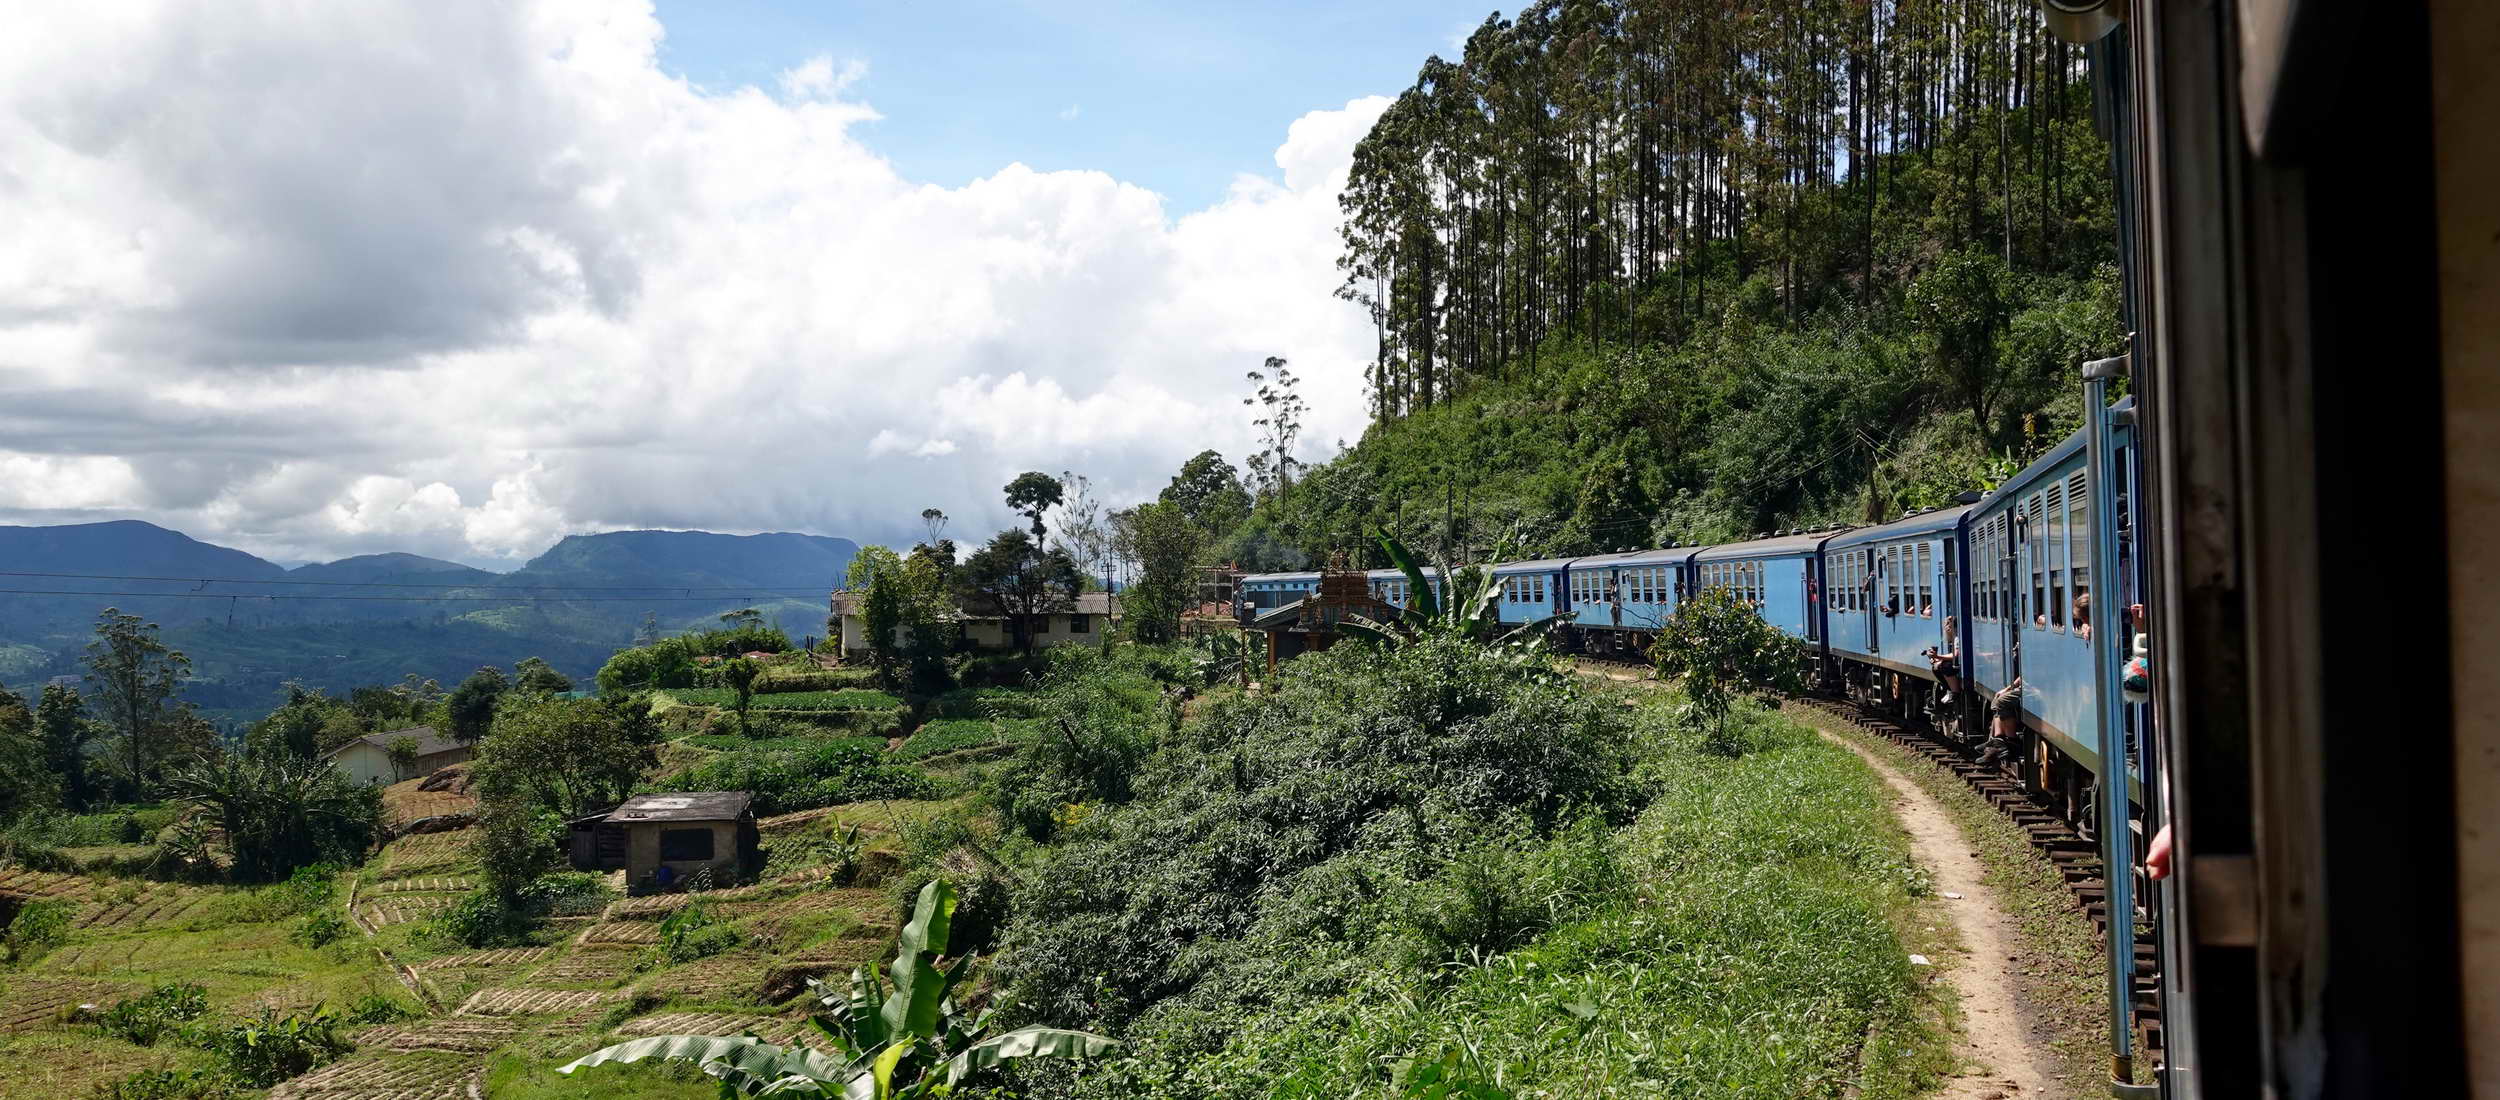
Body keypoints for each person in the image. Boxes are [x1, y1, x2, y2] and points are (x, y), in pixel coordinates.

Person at [1926, 616, 1963, 704]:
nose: (1945, 628)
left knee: (1945, 666)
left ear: (1950, 627)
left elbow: (1956, 655)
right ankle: (1951, 690)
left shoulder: (1957, 638)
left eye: (1947, 625)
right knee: (1938, 664)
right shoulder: (1956, 637)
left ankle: (1954, 692)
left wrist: (1937, 657)